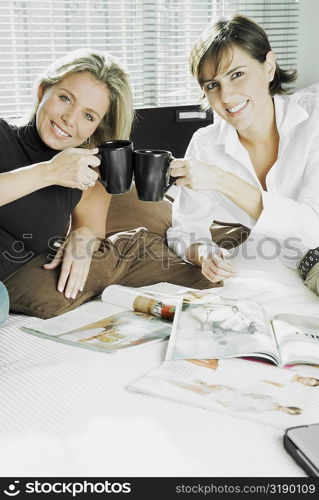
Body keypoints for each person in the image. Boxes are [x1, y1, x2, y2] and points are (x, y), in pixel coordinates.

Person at [0, 48, 214, 319]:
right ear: (43, 91)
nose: (70, 119)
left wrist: (82, 237)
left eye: (89, 116)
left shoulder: (89, 176)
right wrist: (48, 172)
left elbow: (90, 228)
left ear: (97, 128)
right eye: (65, 99)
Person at [167, 15, 319, 296]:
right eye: (212, 85)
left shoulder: (314, 119)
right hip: (286, 264)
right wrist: (203, 253)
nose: (226, 97)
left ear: (268, 67)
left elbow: (313, 227)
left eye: (237, 74)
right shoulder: (205, 145)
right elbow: (185, 229)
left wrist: (223, 181)